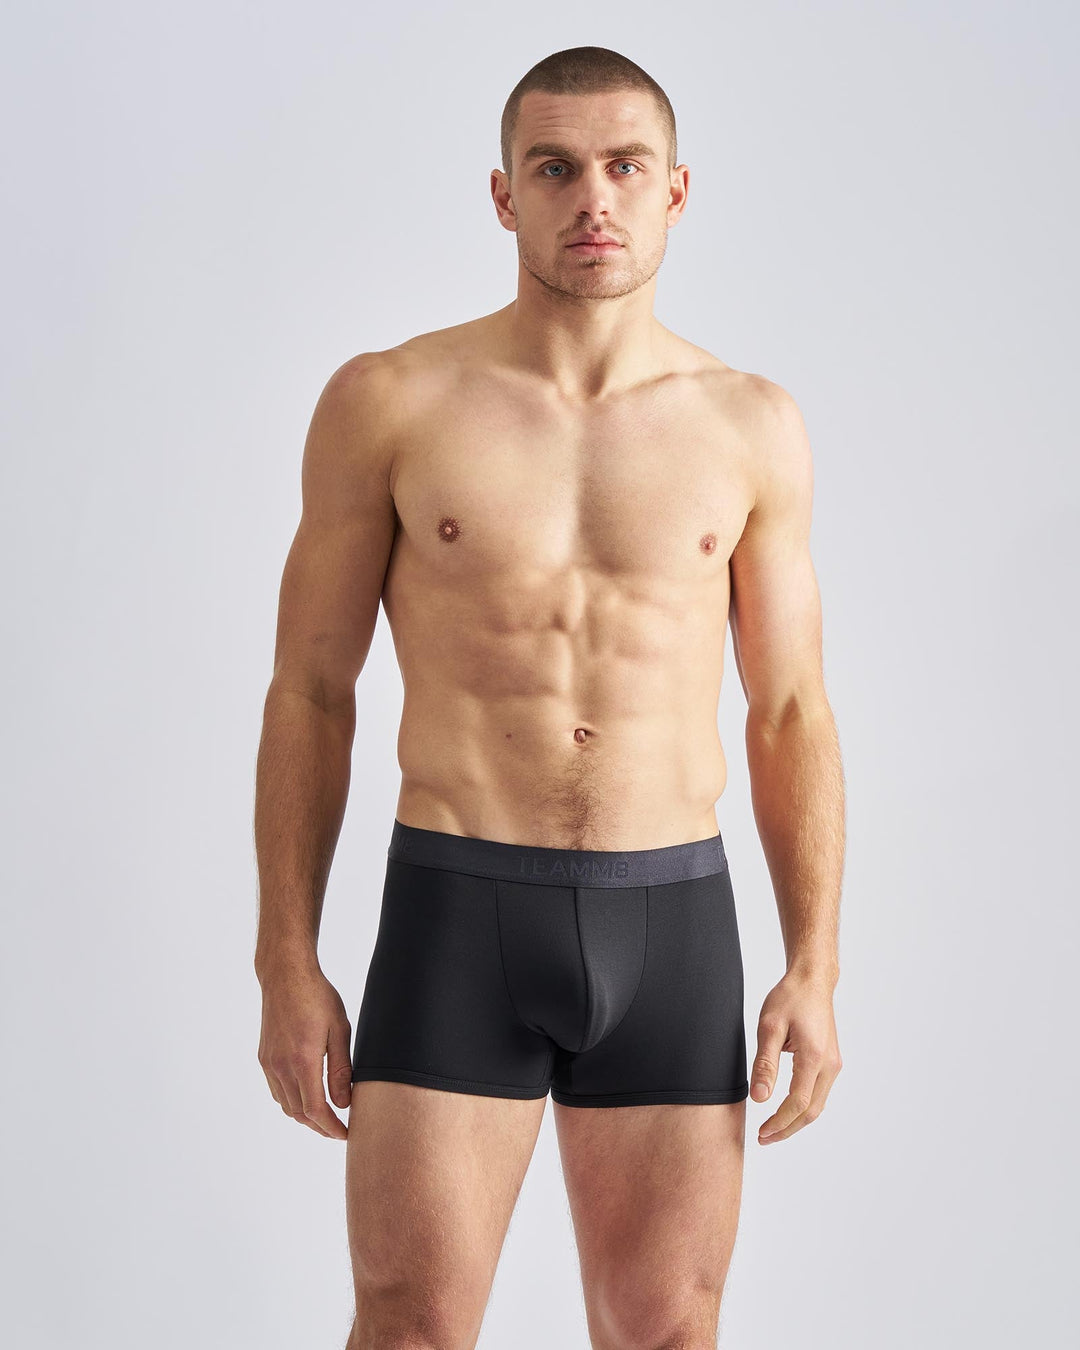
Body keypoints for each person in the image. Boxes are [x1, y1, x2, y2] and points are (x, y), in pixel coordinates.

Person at [253, 44, 845, 1350]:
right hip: (458, 907)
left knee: (667, 1330)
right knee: (409, 1324)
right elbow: (309, 691)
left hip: (672, 918)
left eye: (626, 167)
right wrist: (284, 960)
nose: (594, 199)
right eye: (556, 168)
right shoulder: (391, 402)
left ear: (675, 190)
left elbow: (790, 708)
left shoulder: (749, 425)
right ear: (503, 194)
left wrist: (816, 961)